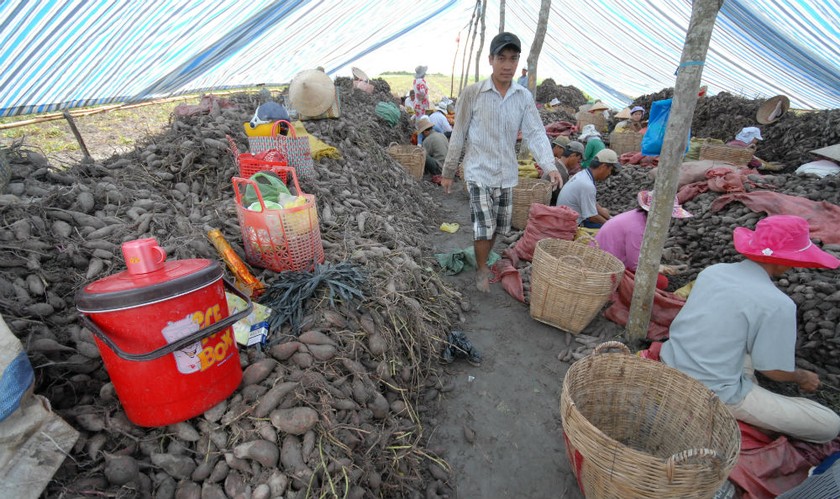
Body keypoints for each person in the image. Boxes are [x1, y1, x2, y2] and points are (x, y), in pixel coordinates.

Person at [661, 215, 840, 444]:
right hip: (712, 390)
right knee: (829, 425)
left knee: (746, 346)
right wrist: (802, 376)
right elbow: (772, 371)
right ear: (784, 260)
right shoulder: (778, 304)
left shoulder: (713, 271)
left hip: (672, 360)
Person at [440, 32, 562, 293]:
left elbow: (535, 132)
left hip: (506, 173)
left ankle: (482, 258)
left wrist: (549, 164)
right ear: (491, 60)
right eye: (502, 58)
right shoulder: (474, 93)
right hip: (477, 170)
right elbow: (458, 132)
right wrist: (449, 170)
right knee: (483, 225)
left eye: (513, 59)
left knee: (497, 225)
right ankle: (482, 268)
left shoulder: (523, 97)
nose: (507, 65)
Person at [595, 190, 692, 289]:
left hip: (608, 256)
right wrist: (663, 268)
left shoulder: (638, 216)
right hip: (604, 267)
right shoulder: (637, 229)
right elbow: (635, 265)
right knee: (661, 282)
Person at [555, 149, 617, 228]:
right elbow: (592, 217)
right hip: (572, 223)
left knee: (605, 212)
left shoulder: (583, 174)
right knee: (609, 231)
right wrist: (611, 225)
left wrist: (609, 217)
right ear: (603, 167)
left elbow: (592, 203)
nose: (609, 174)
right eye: (610, 170)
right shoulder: (587, 185)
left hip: (565, 216)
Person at [545, 139, 584, 205]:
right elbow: (561, 200)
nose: (578, 163)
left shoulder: (555, 166)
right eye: (578, 159)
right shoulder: (560, 174)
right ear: (573, 155)